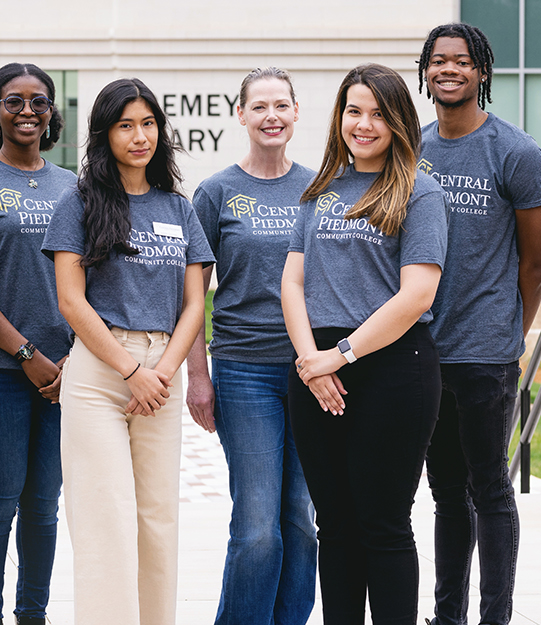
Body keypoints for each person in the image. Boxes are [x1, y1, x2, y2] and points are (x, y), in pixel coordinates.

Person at [41, 77, 213, 625]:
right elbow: (72, 301)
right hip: (99, 372)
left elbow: (194, 305)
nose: (139, 136)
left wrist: (160, 372)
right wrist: (130, 370)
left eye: (148, 124)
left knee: (158, 519)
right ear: (104, 134)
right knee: (106, 520)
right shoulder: (80, 202)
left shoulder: (179, 209)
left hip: (161, 372)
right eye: (125, 125)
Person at [281, 63, 448, 625]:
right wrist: (311, 362)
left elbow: (418, 295)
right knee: (335, 524)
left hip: (393, 369)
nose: (365, 124)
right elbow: (293, 282)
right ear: (339, 117)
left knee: (383, 523)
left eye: (378, 113)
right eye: (355, 110)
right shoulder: (320, 189)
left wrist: (343, 354)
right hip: (316, 370)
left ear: (398, 121)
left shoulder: (419, 191)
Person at [415, 22, 541, 625]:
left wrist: (509, 333)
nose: (450, 70)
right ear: (426, 72)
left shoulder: (514, 151)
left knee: (490, 491)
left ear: (482, 73)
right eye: (439, 61)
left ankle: (495, 616)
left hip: (485, 352)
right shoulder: (411, 149)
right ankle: (448, 616)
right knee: (446, 494)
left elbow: (536, 261)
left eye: (463, 61)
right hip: (418, 351)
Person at [184, 66, 318, 625]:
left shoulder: (319, 188)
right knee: (258, 525)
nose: (271, 116)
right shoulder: (215, 193)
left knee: (301, 523)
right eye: (259, 106)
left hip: (312, 371)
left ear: (295, 113)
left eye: (281, 105)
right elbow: (191, 294)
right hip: (243, 371)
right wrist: (198, 375)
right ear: (240, 115)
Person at [0, 62, 75, 625]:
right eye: (14, 101)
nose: (27, 110)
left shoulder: (74, 187)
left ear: (52, 113)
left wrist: (71, 359)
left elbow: (91, 279)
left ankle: (33, 615)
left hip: (67, 373)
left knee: (43, 505)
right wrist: (27, 355)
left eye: (38, 101)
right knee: (0, 495)